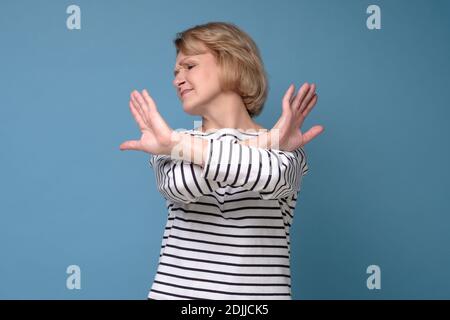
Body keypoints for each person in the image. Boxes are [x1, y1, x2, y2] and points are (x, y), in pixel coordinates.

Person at [120, 22, 324, 300]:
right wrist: (265, 142)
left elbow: (270, 178)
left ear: (233, 65)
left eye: (189, 66)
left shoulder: (288, 142)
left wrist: (177, 147)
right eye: (175, 71)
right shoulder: (171, 141)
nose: (176, 79)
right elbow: (181, 185)